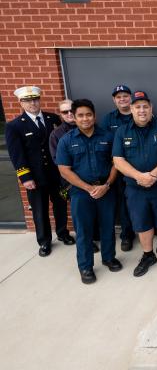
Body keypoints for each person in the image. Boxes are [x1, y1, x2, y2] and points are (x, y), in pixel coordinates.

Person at [112, 91, 157, 278]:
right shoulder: (122, 131)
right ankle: (148, 255)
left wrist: (152, 175)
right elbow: (118, 160)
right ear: (131, 109)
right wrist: (139, 177)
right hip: (136, 188)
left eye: (145, 106)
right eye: (137, 107)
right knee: (142, 223)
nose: (141, 110)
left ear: (151, 108)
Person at [56, 99, 122, 284]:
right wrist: (88, 188)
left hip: (105, 188)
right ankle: (85, 266)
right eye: (80, 115)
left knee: (108, 226)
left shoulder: (108, 137)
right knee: (83, 230)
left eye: (88, 115)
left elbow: (116, 163)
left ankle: (109, 258)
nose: (85, 119)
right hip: (80, 192)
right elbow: (64, 169)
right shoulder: (66, 140)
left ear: (94, 116)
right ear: (74, 117)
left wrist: (106, 185)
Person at [5, 86, 74, 257]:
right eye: (28, 100)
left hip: (56, 173)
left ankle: (63, 233)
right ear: (20, 103)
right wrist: (25, 177)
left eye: (35, 99)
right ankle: (44, 241)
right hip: (35, 176)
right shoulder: (14, 126)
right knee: (39, 210)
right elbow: (16, 154)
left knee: (60, 205)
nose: (32, 103)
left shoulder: (53, 118)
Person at [101, 84, 137, 251]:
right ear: (114, 100)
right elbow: (103, 144)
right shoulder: (108, 120)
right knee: (123, 203)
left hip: (140, 167)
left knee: (146, 199)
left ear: (130, 97)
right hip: (119, 169)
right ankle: (127, 235)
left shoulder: (140, 113)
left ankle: (154, 229)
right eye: (118, 97)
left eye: (125, 95)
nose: (122, 99)